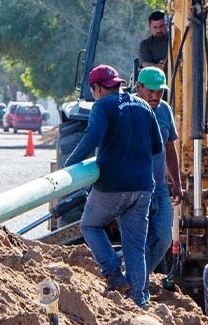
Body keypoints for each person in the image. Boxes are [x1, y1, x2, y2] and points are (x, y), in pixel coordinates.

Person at [64, 64, 163, 308]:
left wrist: (70, 164)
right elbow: (157, 147)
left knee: (90, 224)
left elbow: (92, 138)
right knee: (135, 247)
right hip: (142, 188)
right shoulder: (143, 106)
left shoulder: (102, 106)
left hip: (113, 185)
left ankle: (113, 274)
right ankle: (139, 300)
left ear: (96, 88)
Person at [134, 67, 183, 288]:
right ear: (138, 87)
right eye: (151, 91)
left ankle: (137, 278)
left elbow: (170, 148)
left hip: (160, 186)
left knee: (163, 238)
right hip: (134, 187)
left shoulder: (164, 111)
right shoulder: (128, 110)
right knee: (140, 240)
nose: (155, 96)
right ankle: (137, 285)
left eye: (160, 92)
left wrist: (178, 183)